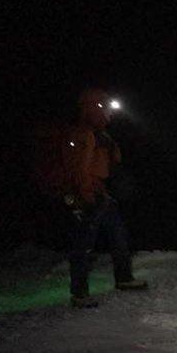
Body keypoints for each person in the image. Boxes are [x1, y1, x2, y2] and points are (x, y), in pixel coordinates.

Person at [62, 89, 147, 307]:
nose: (110, 111)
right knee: (83, 244)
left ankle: (124, 279)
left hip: (101, 194)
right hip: (88, 194)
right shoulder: (83, 133)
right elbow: (79, 168)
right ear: (96, 107)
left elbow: (109, 165)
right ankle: (79, 294)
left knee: (118, 236)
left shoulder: (101, 134)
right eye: (106, 107)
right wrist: (85, 193)